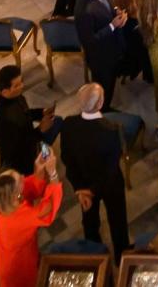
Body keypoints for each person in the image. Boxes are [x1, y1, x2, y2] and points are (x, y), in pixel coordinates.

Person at [59, 83, 130, 260]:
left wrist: (81, 189)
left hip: (83, 184)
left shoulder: (68, 125)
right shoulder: (112, 130)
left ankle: (96, 258)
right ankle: (122, 258)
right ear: (100, 104)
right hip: (110, 185)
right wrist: (93, 190)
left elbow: (67, 159)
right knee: (118, 222)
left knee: (90, 223)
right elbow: (111, 168)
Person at [0, 153, 62, 287]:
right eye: (20, 179)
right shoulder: (24, 217)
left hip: (7, 255)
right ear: (15, 196)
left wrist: (38, 170)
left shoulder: (0, 200)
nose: (24, 177)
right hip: (18, 266)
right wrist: (52, 173)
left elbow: (27, 187)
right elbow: (49, 206)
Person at [74, 0, 129, 110]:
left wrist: (116, 11)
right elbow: (89, 40)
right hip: (101, 57)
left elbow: (107, 5)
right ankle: (104, 110)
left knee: (112, 80)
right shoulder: (83, 9)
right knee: (104, 87)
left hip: (114, 47)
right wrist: (112, 26)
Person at [0, 65, 59, 175]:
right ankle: (43, 154)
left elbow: (26, 113)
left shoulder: (15, 96)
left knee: (57, 120)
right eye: (17, 85)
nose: (22, 86)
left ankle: (44, 150)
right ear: (4, 92)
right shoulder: (7, 120)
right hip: (22, 160)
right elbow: (21, 146)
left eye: (21, 82)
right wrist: (41, 129)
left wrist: (42, 112)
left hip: (30, 137)